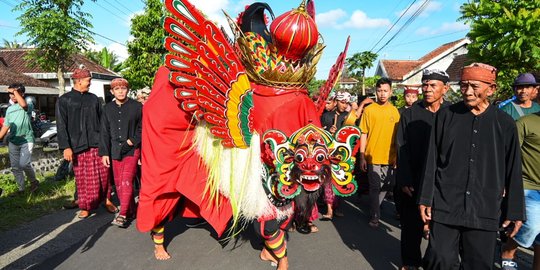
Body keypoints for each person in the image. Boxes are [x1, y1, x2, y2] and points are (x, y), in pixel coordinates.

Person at [418, 63, 525, 270]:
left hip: (484, 207)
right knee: (439, 258)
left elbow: (513, 170)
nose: (467, 92)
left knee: (478, 264)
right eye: (464, 85)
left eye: (474, 86)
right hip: (446, 203)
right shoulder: (445, 116)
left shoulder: (504, 123)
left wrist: (514, 210)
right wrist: (425, 198)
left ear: (491, 89)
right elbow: (431, 160)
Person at [395, 69, 450, 270]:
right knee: (411, 225)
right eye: (425, 84)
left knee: (441, 229)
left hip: (444, 180)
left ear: (445, 88)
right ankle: (410, 261)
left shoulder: (453, 113)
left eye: (432, 85)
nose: (427, 89)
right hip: (415, 178)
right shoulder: (410, 114)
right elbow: (402, 147)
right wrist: (404, 179)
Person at [56, 67, 117, 219]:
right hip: (77, 146)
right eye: (88, 80)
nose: (89, 83)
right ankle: (85, 206)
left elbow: (103, 123)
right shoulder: (64, 100)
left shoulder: (94, 99)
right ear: (79, 81)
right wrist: (66, 147)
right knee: (83, 178)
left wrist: (106, 142)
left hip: (97, 144)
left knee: (104, 174)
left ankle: (107, 199)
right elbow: (61, 125)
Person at [500, 107, 540, 270]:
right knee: (533, 226)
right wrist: (505, 182)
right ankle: (508, 251)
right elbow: (507, 153)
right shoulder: (526, 122)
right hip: (528, 185)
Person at [99, 78, 142, 228]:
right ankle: (131, 209)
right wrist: (104, 153)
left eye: (123, 88)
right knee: (118, 183)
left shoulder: (137, 107)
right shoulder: (107, 109)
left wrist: (131, 141)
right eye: (117, 89)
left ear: (127, 90)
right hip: (113, 150)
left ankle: (122, 214)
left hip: (131, 149)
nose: (120, 91)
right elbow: (104, 132)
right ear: (112, 92)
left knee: (126, 180)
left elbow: (142, 128)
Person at [359, 77, 400, 228]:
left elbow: (398, 137)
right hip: (372, 155)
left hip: (390, 156)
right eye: (379, 90)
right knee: (375, 186)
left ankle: (376, 205)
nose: (382, 94)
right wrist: (362, 156)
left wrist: (397, 157)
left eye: (385, 91)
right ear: (375, 92)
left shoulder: (395, 112)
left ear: (390, 92)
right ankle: (375, 215)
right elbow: (363, 133)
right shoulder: (369, 110)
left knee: (388, 185)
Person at [0, 83, 39, 194]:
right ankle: (21, 189)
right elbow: (5, 126)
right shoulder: (9, 110)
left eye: (14, 93)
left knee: (24, 164)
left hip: (26, 139)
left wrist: (15, 91)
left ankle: (33, 182)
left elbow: (23, 105)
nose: (12, 96)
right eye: (10, 94)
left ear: (22, 94)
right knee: (15, 167)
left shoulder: (27, 104)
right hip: (13, 141)